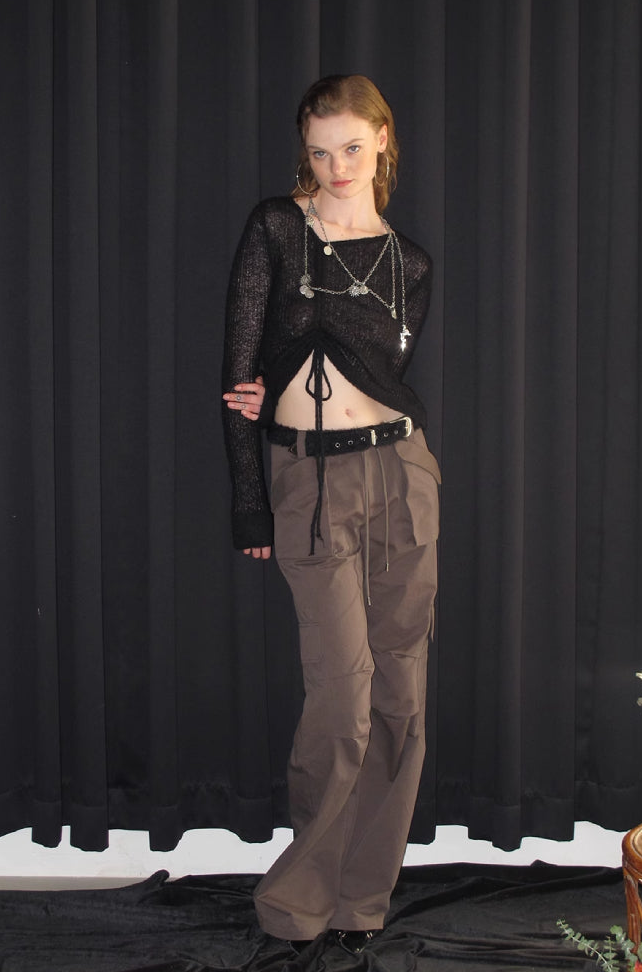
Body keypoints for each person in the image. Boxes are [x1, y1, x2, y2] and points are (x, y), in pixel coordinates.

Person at [221, 74, 440, 955]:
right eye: (319, 151)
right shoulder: (278, 228)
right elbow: (240, 375)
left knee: (400, 697)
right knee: (342, 700)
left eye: (352, 146)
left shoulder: (410, 263)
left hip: (402, 473)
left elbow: (382, 373)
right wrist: (249, 501)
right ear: (303, 153)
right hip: (308, 481)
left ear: (382, 140)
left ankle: (361, 900)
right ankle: (296, 904)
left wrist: (317, 329)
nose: (336, 166)